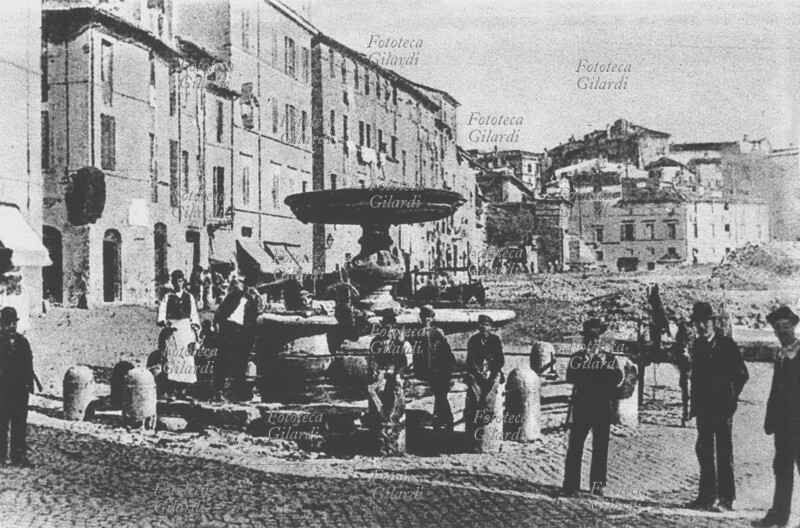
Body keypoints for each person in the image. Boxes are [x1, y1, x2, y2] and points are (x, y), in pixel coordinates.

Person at [688, 301, 749, 511]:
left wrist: (730, 399)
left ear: (712, 322)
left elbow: (742, 374)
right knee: (704, 451)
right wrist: (693, 406)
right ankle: (706, 496)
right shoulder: (697, 345)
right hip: (704, 409)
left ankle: (726, 499)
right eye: (698, 323)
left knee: (723, 452)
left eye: (705, 322)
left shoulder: (727, 345)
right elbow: (694, 378)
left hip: (722, 409)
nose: (702, 326)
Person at [561, 318, 623, 497]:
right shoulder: (577, 358)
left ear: (600, 340)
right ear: (584, 340)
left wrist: (604, 365)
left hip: (602, 406)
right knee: (575, 445)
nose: (593, 342)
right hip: (582, 406)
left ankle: (597, 485)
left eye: (596, 339)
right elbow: (571, 377)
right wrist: (588, 366)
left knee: (600, 446)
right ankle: (571, 485)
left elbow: (617, 378)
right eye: (589, 338)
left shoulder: (608, 357)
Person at [753, 306, 800, 527]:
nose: (782, 332)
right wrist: (770, 419)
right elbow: (775, 391)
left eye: (785, 327)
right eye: (777, 328)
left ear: (794, 327)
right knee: (781, 469)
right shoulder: (781, 356)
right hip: (783, 426)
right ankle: (779, 515)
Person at [0, 307, 41, 468]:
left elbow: (28, 365)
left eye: (13, 323)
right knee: (1, 424)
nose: (12, 327)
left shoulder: (22, 341)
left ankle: (18, 456)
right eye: (8, 324)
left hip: (19, 391)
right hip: (2, 391)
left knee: (19, 424)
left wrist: (28, 387)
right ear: (2, 324)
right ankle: (1, 457)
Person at [213, 276, 259, 402]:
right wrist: (217, 324)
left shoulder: (253, 302)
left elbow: (253, 321)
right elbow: (220, 311)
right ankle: (218, 390)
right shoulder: (233, 296)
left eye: (252, 286)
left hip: (242, 331)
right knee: (223, 358)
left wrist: (248, 333)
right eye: (247, 286)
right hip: (228, 328)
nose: (249, 288)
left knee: (241, 361)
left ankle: (237, 391)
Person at [157, 270, 201, 396]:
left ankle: (184, 389)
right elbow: (162, 312)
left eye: (181, 281)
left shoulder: (189, 296)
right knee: (174, 358)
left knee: (187, 358)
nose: (179, 283)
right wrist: (164, 322)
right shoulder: (168, 296)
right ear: (173, 282)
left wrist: (195, 327)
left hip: (186, 329)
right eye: (176, 281)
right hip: (173, 329)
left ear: (184, 281)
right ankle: (173, 390)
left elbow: (193, 314)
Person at [465, 314, 505, 444]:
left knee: (495, 381)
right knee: (472, 382)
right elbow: (470, 360)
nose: (484, 327)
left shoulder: (495, 340)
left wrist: (490, 371)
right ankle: (478, 408)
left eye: (487, 325)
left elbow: (500, 360)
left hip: (491, 371)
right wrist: (479, 371)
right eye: (482, 325)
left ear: (491, 327)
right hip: (477, 372)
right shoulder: (473, 340)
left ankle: (487, 411)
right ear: (479, 326)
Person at [417, 305, 455, 431]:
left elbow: (446, 350)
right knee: (440, 393)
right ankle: (444, 418)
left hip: (440, 367)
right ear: (420, 318)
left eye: (429, 317)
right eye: (424, 317)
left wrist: (444, 366)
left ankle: (443, 418)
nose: (426, 320)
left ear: (432, 318)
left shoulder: (437, 332)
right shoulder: (419, 333)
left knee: (440, 393)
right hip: (426, 368)